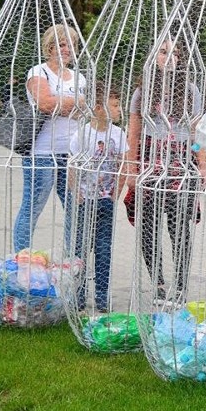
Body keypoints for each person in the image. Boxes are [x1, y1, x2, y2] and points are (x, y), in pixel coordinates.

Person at [127, 39, 206, 304]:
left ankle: (181, 287)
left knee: (179, 228)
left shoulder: (191, 91)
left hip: (181, 163)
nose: (169, 57)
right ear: (153, 57)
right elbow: (134, 135)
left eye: (175, 53)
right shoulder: (142, 92)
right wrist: (131, 169)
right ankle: (158, 284)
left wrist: (203, 164)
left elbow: (198, 131)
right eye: (163, 52)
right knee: (149, 227)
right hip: (150, 163)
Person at [13, 24, 87, 253]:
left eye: (71, 45)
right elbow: (45, 104)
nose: (67, 50)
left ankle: (73, 258)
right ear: (50, 47)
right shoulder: (38, 72)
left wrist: (62, 104)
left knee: (75, 208)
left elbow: (86, 110)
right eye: (61, 45)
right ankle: (21, 258)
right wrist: (75, 104)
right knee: (32, 207)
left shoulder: (80, 78)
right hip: (42, 153)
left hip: (72, 153)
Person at [69, 82, 130, 313]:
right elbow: (72, 164)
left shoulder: (118, 133)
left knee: (104, 247)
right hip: (86, 199)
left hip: (105, 199)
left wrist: (116, 192)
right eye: (114, 105)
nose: (118, 109)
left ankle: (102, 295)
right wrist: (77, 194)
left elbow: (124, 164)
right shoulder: (83, 134)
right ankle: (79, 293)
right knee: (82, 247)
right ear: (98, 108)